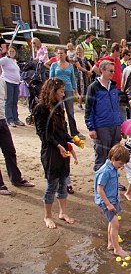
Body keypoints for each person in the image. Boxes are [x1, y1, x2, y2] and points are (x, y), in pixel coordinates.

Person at [34, 78, 81, 228]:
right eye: (61, 91)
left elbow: (63, 130)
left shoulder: (59, 107)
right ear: (52, 91)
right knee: (52, 185)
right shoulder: (40, 109)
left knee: (63, 182)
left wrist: (72, 140)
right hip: (51, 151)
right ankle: (47, 216)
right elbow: (43, 134)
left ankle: (62, 212)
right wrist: (58, 146)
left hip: (62, 149)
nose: (63, 94)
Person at [85, 60, 123, 171]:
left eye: (114, 71)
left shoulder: (114, 87)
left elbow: (116, 107)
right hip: (102, 126)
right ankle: (99, 184)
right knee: (101, 156)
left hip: (115, 125)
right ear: (102, 70)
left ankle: (112, 180)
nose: (112, 73)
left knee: (115, 156)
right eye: (110, 71)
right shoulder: (93, 87)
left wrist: (120, 123)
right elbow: (89, 109)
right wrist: (91, 128)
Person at [94, 144, 131, 257]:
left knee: (112, 222)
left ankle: (111, 243)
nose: (122, 166)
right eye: (120, 164)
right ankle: (117, 249)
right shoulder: (105, 171)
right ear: (113, 159)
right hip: (107, 201)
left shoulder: (113, 167)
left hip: (113, 198)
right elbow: (100, 190)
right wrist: (108, 204)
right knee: (116, 224)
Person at [0, 78, 35, 196]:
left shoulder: (2, 81)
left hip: (2, 120)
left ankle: (16, 178)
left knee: (10, 151)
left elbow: (4, 101)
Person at [50, 47, 85, 139]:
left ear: (66, 54)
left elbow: (73, 80)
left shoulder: (70, 66)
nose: (60, 55)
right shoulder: (54, 65)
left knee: (70, 111)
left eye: (62, 53)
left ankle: (74, 132)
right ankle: (62, 131)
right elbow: (51, 79)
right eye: (59, 53)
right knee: (60, 111)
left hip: (68, 89)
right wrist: (52, 91)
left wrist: (76, 93)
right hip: (57, 90)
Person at [0, 46, 23, 127]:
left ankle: (15, 118)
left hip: (16, 83)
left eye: (13, 51)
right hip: (8, 82)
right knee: (9, 101)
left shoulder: (14, 61)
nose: (12, 53)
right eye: (10, 51)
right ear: (8, 52)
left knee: (14, 101)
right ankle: (9, 119)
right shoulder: (5, 59)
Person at [73, 45, 93, 110]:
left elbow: (90, 65)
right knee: (80, 89)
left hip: (86, 76)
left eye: (80, 50)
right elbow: (79, 67)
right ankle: (80, 104)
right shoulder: (76, 58)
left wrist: (90, 71)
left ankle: (88, 104)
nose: (79, 51)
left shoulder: (85, 58)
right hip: (80, 75)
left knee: (87, 88)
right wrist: (87, 71)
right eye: (78, 50)